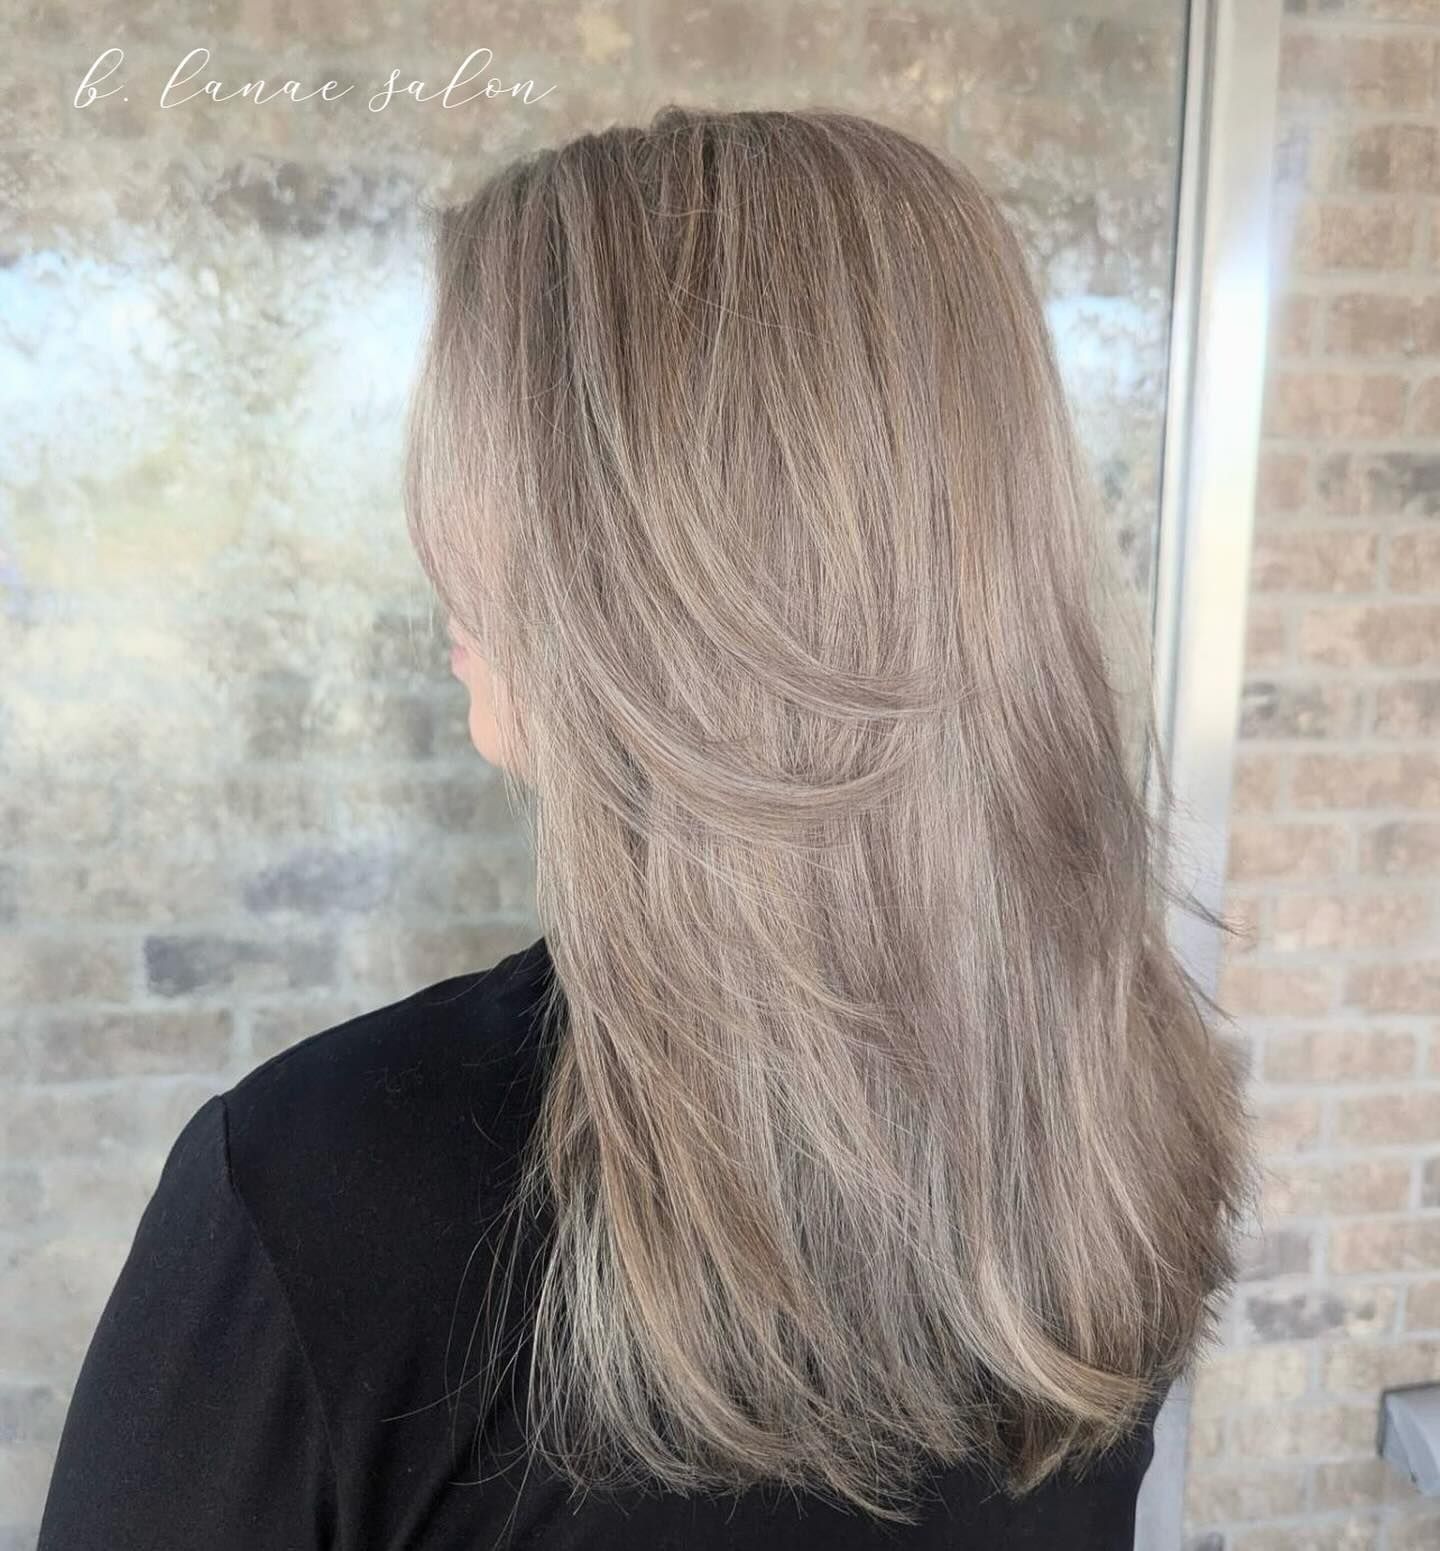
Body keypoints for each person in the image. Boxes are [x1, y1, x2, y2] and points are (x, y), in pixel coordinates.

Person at [36, 105, 1256, 1550]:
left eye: (492, 474)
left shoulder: (326, 1199)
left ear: (668, 571)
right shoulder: (1105, 1114)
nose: (438, 544)